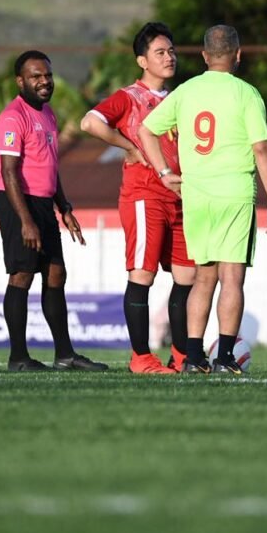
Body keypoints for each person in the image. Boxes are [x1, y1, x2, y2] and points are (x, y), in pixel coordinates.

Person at [139, 24, 267, 375]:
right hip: (234, 193)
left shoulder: (186, 91)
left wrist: (163, 172)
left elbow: (146, 130)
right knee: (231, 278)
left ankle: (193, 357)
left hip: (196, 195)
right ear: (238, 55)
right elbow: (261, 148)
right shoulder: (246, 93)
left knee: (203, 278)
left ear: (204, 56)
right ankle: (225, 357)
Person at [79, 22, 194, 374]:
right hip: (145, 196)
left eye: (171, 51)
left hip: (181, 198)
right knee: (142, 275)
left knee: (187, 277)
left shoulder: (180, 98)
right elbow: (90, 123)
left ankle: (182, 356)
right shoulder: (129, 97)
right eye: (160, 52)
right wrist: (129, 146)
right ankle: (141, 357)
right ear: (142, 61)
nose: (169, 57)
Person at [0, 50, 108, 372]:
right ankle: (18, 358)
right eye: (36, 76)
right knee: (22, 275)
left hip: (44, 204)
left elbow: (50, 167)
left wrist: (64, 207)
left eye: (47, 75)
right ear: (20, 81)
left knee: (56, 272)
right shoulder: (12, 117)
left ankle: (65, 355)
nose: (44, 81)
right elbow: (9, 172)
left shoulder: (48, 114)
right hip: (18, 203)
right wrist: (26, 221)